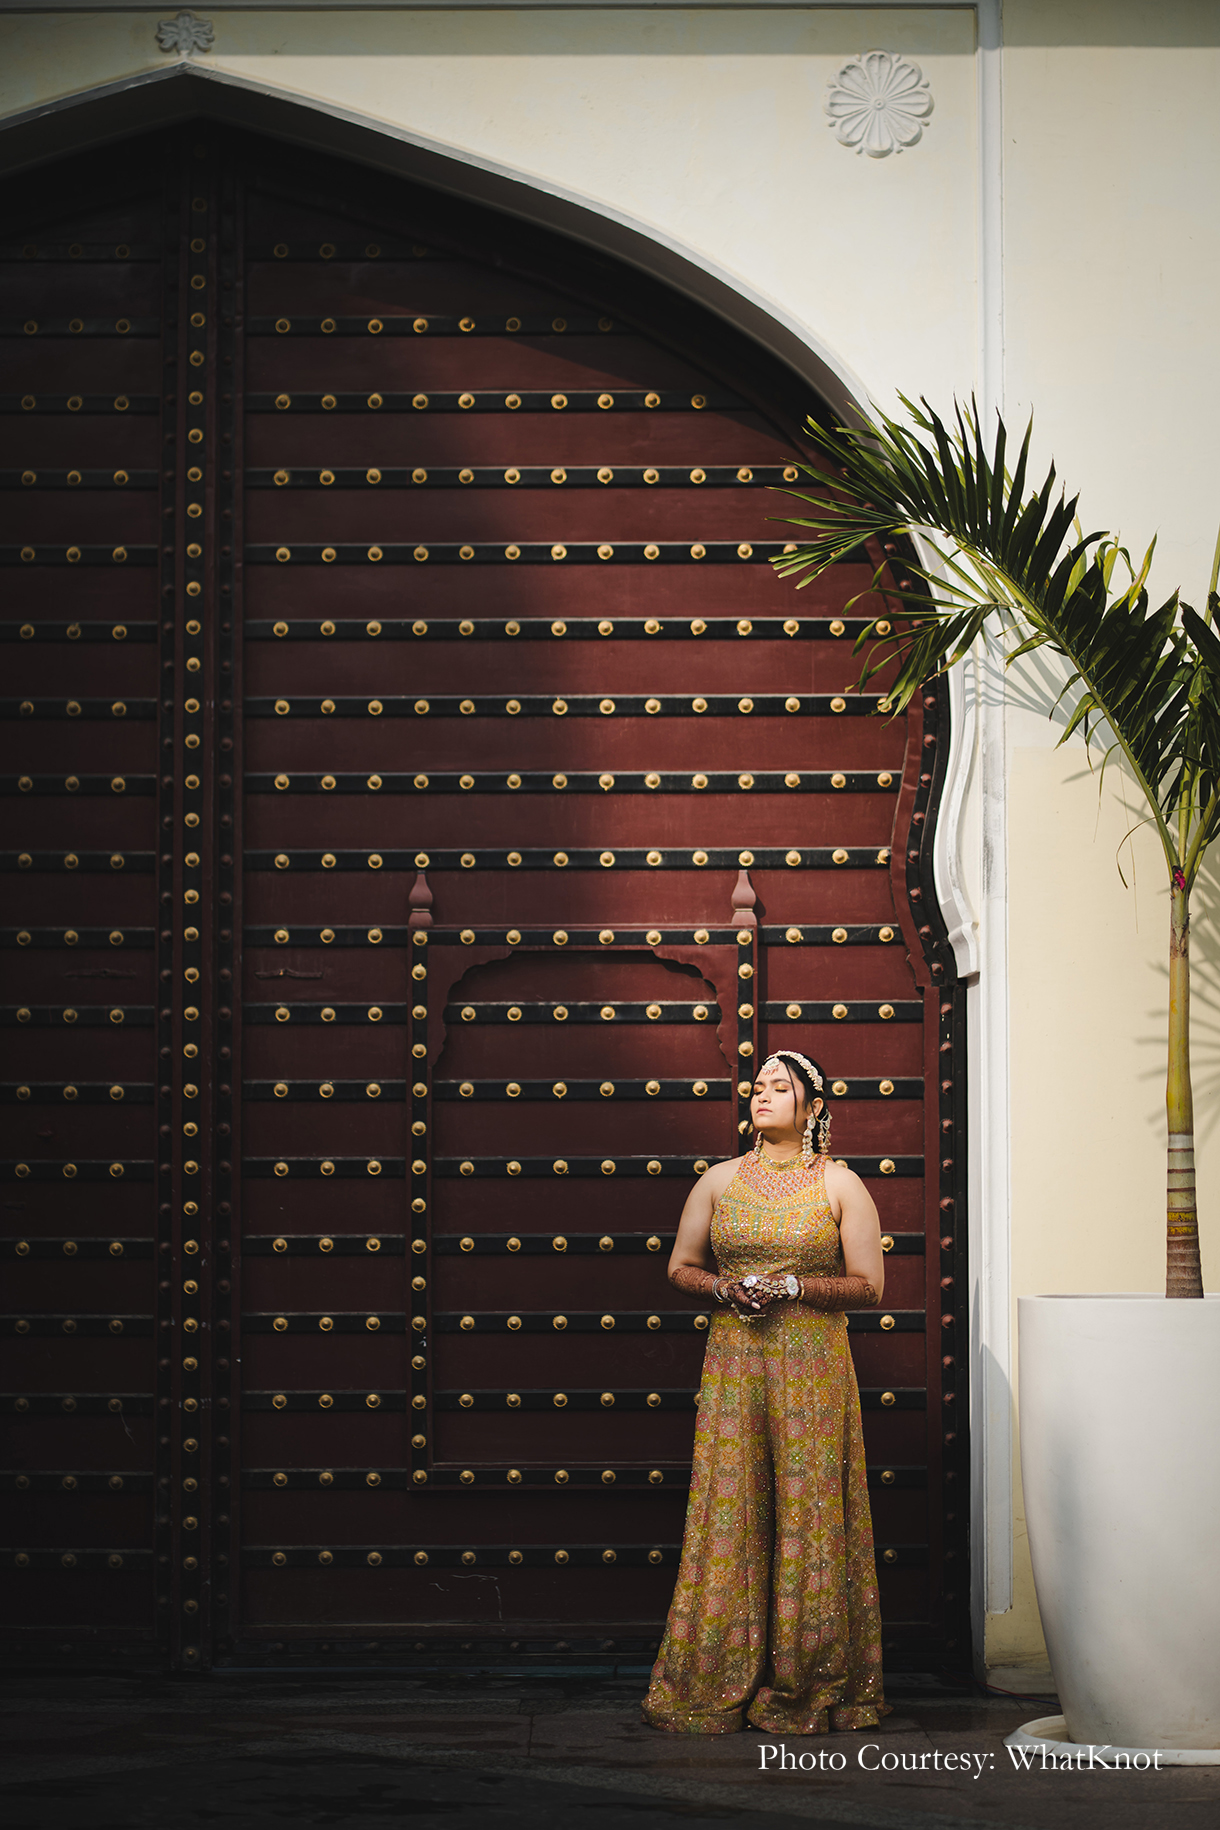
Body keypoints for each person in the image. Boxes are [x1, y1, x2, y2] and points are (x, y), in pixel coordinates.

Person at [641, 1049, 891, 1736]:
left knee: (808, 1509)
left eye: (780, 1088)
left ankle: (809, 1680)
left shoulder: (841, 1185)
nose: (762, 1096)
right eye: (757, 1088)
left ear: (812, 1107)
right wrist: (723, 1288)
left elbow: (870, 1286)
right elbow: (680, 1267)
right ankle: (712, 1674)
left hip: (812, 1364)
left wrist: (794, 1287)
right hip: (734, 1360)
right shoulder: (719, 1181)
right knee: (732, 1503)